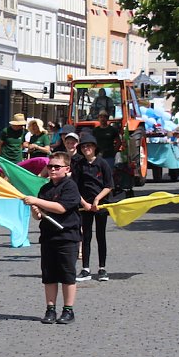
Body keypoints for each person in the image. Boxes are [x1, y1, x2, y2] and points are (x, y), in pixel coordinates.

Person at [23, 152, 82, 324]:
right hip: (48, 237)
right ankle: (50, 309)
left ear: (67, 169)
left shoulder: (70, 187)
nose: (53, 169)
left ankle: (68, 310)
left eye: (57, 167)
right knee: (49, 275)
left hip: (67, 237)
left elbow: (61, 208)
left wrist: (37, 201)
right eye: (50, 166)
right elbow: (40, 216)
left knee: (67, 274)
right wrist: (36, 212)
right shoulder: (45, 189)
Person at [72, 133, 114, 283]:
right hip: (85, 206)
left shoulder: (103, 164)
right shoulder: (79, 165)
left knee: (101, 236)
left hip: (101, 205)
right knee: (86, 237)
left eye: (88, 146)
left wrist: (97, 199)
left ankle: (102, 268)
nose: (86, 149)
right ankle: (86, 269)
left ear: (94, 148)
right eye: (83, 146)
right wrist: (84, 203)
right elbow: (75, 187)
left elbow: (109, 185)